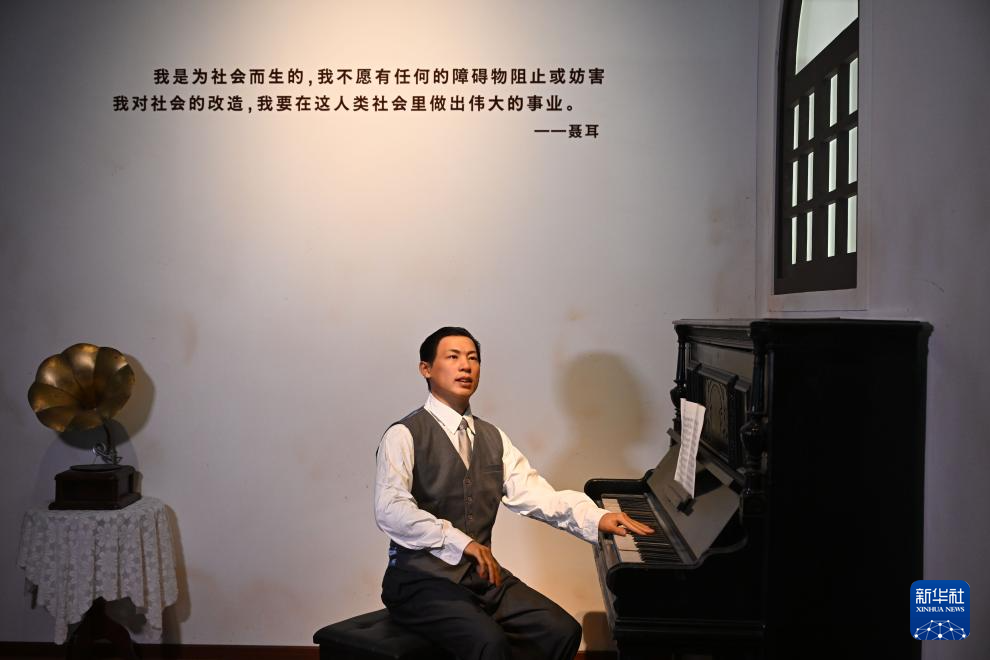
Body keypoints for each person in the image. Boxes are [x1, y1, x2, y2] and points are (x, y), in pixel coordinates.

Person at [374, 327, 653, 660]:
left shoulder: (493, 437)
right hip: (419, 583)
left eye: (473, 358)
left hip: (481, 580)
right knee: (488, 643)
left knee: (560, 630)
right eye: (453, 357)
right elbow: (391, 509)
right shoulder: (404, 434)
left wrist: (597, 517)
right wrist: (461, 542)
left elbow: (537, 494)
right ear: (426, 369)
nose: (465, 366)